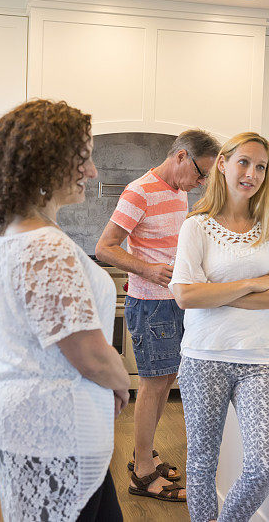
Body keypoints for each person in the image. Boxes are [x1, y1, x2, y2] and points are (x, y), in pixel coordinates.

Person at [0, 99, 130, 521]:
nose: (93, 170)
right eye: (84, 158)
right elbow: (90, 353)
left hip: (38, 427)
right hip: (54, 433)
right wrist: (120, 383)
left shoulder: (8, 231)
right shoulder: (44, 244)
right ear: (47, 164)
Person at [169, 132, 269, 521]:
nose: (252, 173)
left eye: (261, 166)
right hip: (204, 355)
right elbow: (186, 296)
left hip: (260, 358)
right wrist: (251, 283)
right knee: (201, 465)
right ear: (223, 164)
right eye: (244, 162)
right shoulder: (196, 227)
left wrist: (216, 292)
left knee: (263, 465)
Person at [95, 128, 219, 501]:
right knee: (152, 384)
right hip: (150, 303)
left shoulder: (177, 192)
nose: (201, 182)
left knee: (165, 381)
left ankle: (143, 455)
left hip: (174, 302)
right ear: (180, 156)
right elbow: (105, 248)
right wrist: (148, 269)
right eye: (200, 173)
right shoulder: (139, 192)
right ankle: (143, 476)